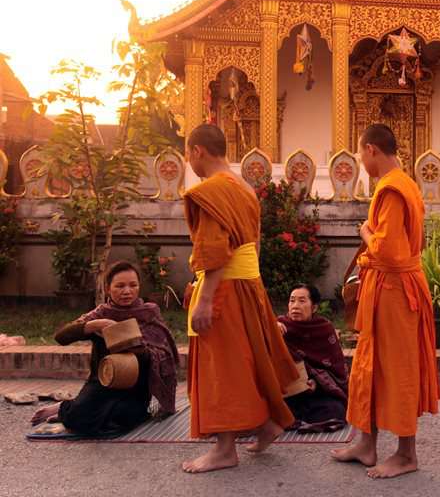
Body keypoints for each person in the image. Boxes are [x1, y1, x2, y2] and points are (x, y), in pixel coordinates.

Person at [181, 124, 299, 474]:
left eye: (188, 153)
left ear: (198, 150)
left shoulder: (211, 191)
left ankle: (224, 448)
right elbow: (254, 245)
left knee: (225, 364)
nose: (189, 160)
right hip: (248, 284)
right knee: (249, 359)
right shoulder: (244, 187)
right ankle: (267, 424)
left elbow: (216, 249)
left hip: (225, 287)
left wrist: (204, 299)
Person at [331, 124, 440, 479]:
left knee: (399, 369)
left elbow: (391, 252)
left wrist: (365, 233)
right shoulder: (403, 183)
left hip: (395, 291)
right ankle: (367, 443)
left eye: (361, 153)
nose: (361, 160)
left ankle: (407, 454)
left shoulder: (392, 189)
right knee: (371, 365)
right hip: (386, 290)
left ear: (372, 149)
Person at [31, 261, 178, 437]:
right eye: (120, 286)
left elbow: (162, 353)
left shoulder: (149, 313)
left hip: (136, 389)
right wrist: (98, 324)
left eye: (133, 285)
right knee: (79, 420)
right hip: (102, 384)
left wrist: (131, 342)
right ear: (108, 289)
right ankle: (67, 408)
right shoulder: (101, 314)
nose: (127, 291)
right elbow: (61, 337)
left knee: (123, 419)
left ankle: (76, 407)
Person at [277, 283, 348, 432]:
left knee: (336, 410)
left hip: (314, 392)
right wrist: (271, 331)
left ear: (314, 307)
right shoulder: (278, 326)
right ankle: (291, 419)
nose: (295, 306)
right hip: (283, 392)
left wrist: (317, 382)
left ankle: (291, 420)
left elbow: (336, 370)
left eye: (302, 301)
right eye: (292, 300)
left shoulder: (324, 329)